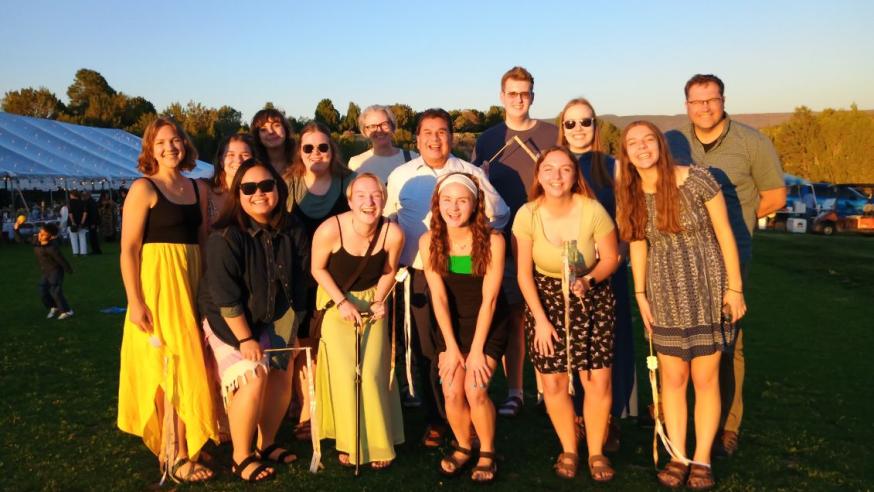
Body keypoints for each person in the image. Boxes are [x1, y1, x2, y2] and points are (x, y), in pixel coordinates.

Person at [618, 121, 746, 490]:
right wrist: (640, 295)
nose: (642, 148)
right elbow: (639, 245)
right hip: (664, 293)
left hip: (707, 289)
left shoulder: (699, 180)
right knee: (673, 380)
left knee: (706, 380)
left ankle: (702, 459)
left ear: (660, 144)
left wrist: (734, 289)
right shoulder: (631, 193)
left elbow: (725, 233)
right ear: (626, 153)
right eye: (633, 144)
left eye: (648, 140)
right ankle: (678, 455)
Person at [666, 74, 785, 456]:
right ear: (686, 104)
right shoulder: (674, 142)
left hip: (732, 256)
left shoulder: (751, 142)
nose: (704, 108)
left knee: (728, 340)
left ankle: (727, 425)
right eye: (697, 101)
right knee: (682, 339)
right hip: (682, 258)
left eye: (711, 100)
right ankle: (681, 415)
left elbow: (776, 196)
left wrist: (739, 221)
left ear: (722, 100)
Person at [385, 108, 509, 448]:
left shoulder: (469, 173)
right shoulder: (401, 175)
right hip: (421, 273)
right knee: (430, 351)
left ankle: (474, 423)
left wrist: (473, 242)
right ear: (417, 137)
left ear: (451, 137)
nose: (435, 138)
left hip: (467, 274)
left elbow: (500, 213)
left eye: (442, 132)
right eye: (428, 132)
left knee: (465, 358)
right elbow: (388, 218)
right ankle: (438, 419)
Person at [117, 117, 218, 483]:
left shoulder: (197, 189)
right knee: (171, 365)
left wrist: (208, 288)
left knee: (198, 361)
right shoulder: (143, 189)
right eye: (161, 142)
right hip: (159, 286)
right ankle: (174, 453)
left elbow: (203, 242)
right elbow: (128, 249)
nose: (170, 147)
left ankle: (190, 437)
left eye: (175, 140)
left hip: (192, 281)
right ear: (150, 148)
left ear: (185, 144)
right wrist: (134, 300)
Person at [199, 158, 310, 483]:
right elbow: (225, 297)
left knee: (280, 375)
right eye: (249, 188)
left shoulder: (292, 228)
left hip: (276, 314)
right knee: (254, 375)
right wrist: (246, 339)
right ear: (238, 193)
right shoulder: (226, 236)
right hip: (230, 320)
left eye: (266, 185)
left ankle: (267, 442)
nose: (259, 193)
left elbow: (300, 278)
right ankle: (241, 455)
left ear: (278, 188)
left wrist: (295, 328)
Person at [513, 146, 619, 482]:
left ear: (575, 175)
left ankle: (596, 451)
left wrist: (588, 280)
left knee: (596, 380)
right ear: (538, 175)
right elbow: (523, 274)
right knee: (554, 381)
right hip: (545, 302)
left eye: (564, 169)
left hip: (592, 298)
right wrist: (540, 321)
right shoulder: (526, 214)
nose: (556, 176)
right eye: (549, 169)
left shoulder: (593, 210)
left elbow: (611, 258)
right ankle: (569, 448)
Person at [471, 66, 558, 417]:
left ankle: (553, 388)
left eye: (525, 93)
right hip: (503, 241)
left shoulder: (551, 133)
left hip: (546, 237)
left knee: (550, 314)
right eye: (512, 93)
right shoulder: (489, 139)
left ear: (533, 97)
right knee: (516, 317)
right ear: (501, 96)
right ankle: (517, 391)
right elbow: (479, 187)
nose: (519, 99)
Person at [311, 173, 405, 469]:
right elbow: (317, 269)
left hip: (373, 302)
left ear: (384, 199)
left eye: (375, 195)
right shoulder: (330, 229)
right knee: (345, 376)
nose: (369, 202)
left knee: (374, 373)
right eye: (361, 195)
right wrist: (341, 302)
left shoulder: (393, 233)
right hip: (336, 302)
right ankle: (350, 443)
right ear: (350, 200)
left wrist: (380, 300)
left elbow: (390, 270)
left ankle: (378, 443)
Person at [420, 172, 508, 483]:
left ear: (475, 204)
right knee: (451, 389)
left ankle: (486, 450)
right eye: (447, 200)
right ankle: (462, 445)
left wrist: (476, 352)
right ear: (437, 203)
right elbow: (439, 300)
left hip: (487, 325)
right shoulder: (428, 240)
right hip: (450, 328)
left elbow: (491, 300)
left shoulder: (494, 241)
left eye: (462, 201)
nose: (454, 208)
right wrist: (452, 349)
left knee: (475, 387)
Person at [557, 97, 635, 450]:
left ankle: (608, 419)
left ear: (596, 126)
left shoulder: (614, 167)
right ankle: (575, 417)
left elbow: (627, 221)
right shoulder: (556, 166)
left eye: (585, 122)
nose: (578, 130)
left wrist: (614, 261)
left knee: (609, 347)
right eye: (570, 123)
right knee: (572, 344)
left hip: (608, 269)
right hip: (568, 269)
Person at [284, 121, 356, 441]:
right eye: (308, 147)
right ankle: (308, 411)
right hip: (300, 277)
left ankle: (340, 407)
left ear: (333, 150)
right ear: (300, 152)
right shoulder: (288, 184)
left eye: (323, 147)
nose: (316, 153)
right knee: (303, 346)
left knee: (335, 345)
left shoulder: (348, 182)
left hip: (341, 279)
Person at [348, 105, 419, 183]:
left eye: (384, 124)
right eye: (372, 126)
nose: (379, 130)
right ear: (365, 131)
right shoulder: (356, 164)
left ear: (392, 126)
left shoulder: (412, 158)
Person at [206, 134, 257, 225]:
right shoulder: (205, 192)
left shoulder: (259, 194)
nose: (238, 160)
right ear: (221, 161)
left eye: (245, 155)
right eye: (231, 155)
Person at [34, 223, 74, 320]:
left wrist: (68, 269)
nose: (40, 235)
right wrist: (16, 229)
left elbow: (61, 259)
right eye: (40, 232)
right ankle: (54, 307)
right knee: (42, 290)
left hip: (55, 271)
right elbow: (21, 240)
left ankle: (67, 311)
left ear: (50, 237)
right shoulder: (36, 241)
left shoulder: (52, 248)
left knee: (55, 291)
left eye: (43, 234)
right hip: (46, 271)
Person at [251, 108, 295, 175]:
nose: (271, 131)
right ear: (258, 136)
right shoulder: (252, 166)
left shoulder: (301, 161)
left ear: (285, 129)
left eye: (276, 125)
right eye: (263, 129)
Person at [67, 190, 88, 256]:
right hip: (81, 222)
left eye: (70, 195)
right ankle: (83, 252)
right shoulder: (83, 202)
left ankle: (75, 252)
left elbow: (70, 213)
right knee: (82, 237)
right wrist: (82, 222)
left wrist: (73, 222)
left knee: (73, 238)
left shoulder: (70, 202)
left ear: (73, 195)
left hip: (73, 222)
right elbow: (85, 213)